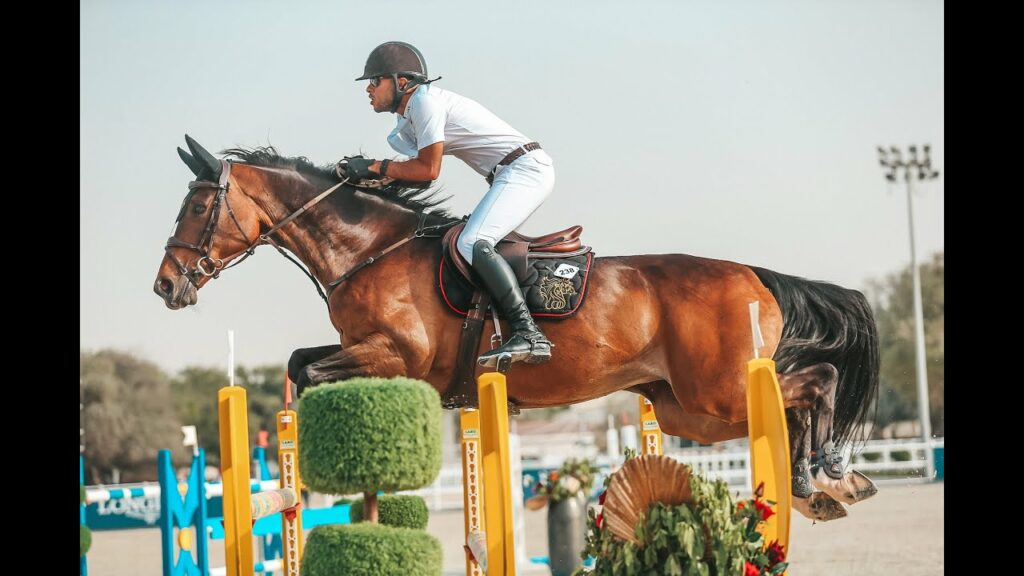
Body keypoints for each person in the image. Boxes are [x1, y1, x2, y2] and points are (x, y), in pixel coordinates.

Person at [343, 41, 555, 369]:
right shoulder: (407, 119)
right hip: (508, 173)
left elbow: (428, 169)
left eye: (375, 80)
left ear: (402, 82)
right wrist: (368, 178)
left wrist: (376, 167)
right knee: (468, 239)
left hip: (524, 170)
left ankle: (529, 333)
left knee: (472, 242)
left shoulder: (425, 102)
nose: (368, 89)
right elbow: (419, 176)